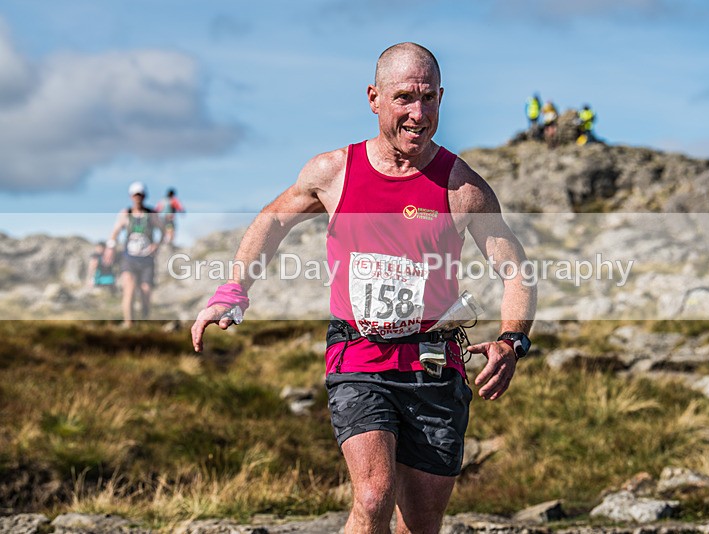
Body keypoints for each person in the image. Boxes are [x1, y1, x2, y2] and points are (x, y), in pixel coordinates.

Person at [191, 43, 537, 534]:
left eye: (429, 99)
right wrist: (233, 291)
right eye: (403, 99)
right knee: (373, 496)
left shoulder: (463, 189)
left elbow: (516, 270)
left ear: (441, 98)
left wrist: (512, 339)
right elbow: (272, 222)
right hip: (359, 355)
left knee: (421, 522)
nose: (418, 114)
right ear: (373, 98)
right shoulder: (333, 173)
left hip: (435, 363)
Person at [105, 181, 164, 328]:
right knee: (129, 289)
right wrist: (110, 248)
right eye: (135, 195)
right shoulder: (125, 214)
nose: (138, 198)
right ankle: (129, 324)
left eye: (141, 195)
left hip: (146, 260)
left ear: (145, 196)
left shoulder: (151, 215)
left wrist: (156, 245)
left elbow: (163, 231)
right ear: (131, 196)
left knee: (146, 291)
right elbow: (115, 232)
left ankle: (145, 315)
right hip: (129, 258)